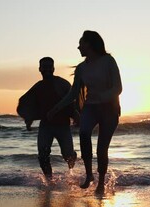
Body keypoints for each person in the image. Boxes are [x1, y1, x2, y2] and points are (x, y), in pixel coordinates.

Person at [48, 31, 122, 191]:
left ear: (90, 44)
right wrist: (56, 108)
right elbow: (74, 93)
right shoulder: (82, 68)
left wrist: (102, 96)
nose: (78, 47)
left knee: (102, 149)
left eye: (81, 43)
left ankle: (101, 182)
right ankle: (89, 174)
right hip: (91, 107)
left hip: (110, 109)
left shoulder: (108, 61)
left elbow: (118, 88)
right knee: (83, 133)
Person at [17, 57, 78, 181]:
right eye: (44, 67)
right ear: (39, 69)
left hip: (63, 126)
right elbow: (28, 103)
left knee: (67, 156)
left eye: (49, 66)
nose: (47, 69)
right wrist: (29, 119)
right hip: (46, 126)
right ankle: (50, 181)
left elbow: (73, 101)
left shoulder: (62, 83)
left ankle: (72, 163)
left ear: (53, 68)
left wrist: (77, 117)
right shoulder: (38, 87)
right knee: (43, 155)